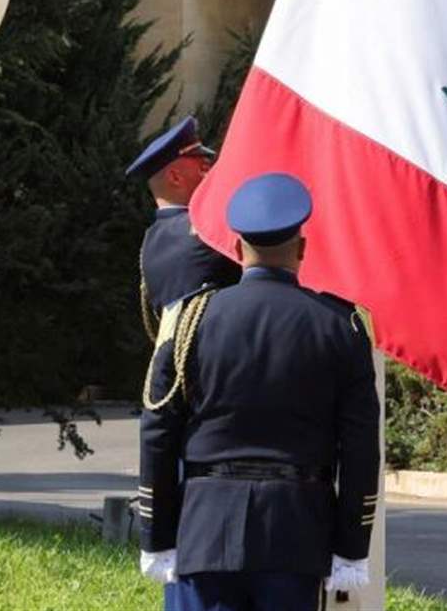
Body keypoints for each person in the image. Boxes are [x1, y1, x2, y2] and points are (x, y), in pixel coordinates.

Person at [138, 172, 380, 611]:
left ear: (235, 250)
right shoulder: (338, 327)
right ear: (302, 251)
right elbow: (360, 447)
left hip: (205, 530)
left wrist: (156, 534)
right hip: (297, 532)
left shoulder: (194, 320)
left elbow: (158, 428)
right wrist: (351, 546)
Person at [126, 115, 240, 342]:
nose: (209, 176)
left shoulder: (153, 238)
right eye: (203, 167)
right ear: (175, 177)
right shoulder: (204, 229)